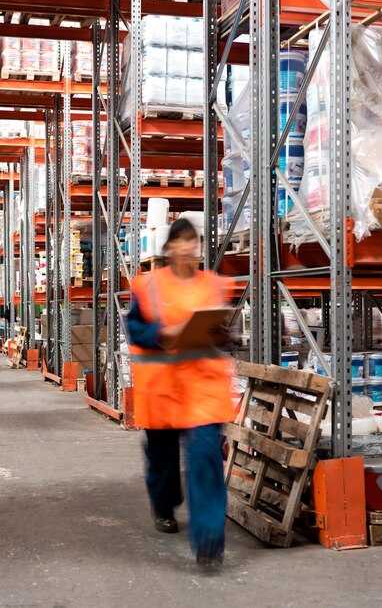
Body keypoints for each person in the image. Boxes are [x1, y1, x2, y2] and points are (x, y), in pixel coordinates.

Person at [127, 218, 234, 566]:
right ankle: (163, 504)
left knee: (206, 457)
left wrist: (221, 335)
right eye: (182, 241)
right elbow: (135, 329)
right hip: (162, 387)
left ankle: (208, 539)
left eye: (194, 241)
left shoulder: (215, 285)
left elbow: (222, 331)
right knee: (163, 459)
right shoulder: (148, 287)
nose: (188, 247)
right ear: (169, 248)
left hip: (202, 386)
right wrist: (162, 333)